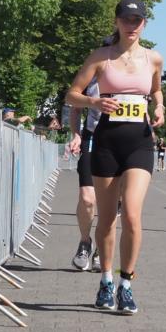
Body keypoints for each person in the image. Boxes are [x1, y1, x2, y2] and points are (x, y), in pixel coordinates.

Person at [66, 0, 164, 315]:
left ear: (144, 24)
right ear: (117, 22)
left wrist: (159, 106)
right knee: (107, 220)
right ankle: (106, 279)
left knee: (133, 216)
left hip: (140, 143)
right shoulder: (101, 57)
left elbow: (157, 90)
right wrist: (95, 104)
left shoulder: (154, 59)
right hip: (107, 142)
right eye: (126, 19)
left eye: (137, 20)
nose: (132, 25)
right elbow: (72, 94)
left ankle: (126, 284)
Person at [67, 72, 103, 272]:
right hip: (93, 138)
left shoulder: (132, 73)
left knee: (113, 203)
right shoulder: (92, 76)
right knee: (88, 199)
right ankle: (84, 242)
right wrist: (77, 135)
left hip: (122, 142)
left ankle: (100, 249)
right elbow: (76, 108)